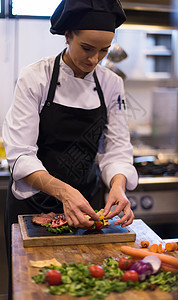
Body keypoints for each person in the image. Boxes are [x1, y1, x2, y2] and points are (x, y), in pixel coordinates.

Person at [3, 1, 138, 297]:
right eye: (87, 48)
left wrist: (118, 185)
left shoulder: (112, 84)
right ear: (68, 35)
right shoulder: (35, 77)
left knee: (86, 286)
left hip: (87, 206)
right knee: (34, 289)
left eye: (104, 51)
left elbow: (116, 149)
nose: (94, 60)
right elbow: (21, 154)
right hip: (33, 206)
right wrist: (63, 192)